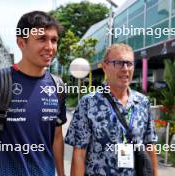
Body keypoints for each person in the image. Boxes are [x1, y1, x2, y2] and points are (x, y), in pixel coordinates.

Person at [0, 11, 66, 176]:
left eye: (54, 40)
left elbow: (56, 137)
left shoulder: (58, 86)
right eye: (41, 39)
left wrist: (61, 174)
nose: (50, 47)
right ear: (21, 43)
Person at [65, 43, 158, 176]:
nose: (125, 68)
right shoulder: (88, 103)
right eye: (118, 63)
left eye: (129, 63)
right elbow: (79, 155)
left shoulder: (142, 103)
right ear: (105, 67)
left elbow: (150, 146)